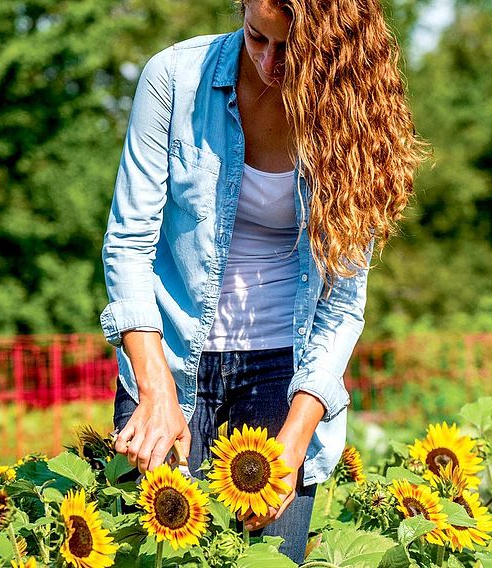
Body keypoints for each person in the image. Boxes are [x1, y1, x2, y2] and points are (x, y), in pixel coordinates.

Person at [101, 0, 425, 561]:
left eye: (290, 47)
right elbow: (129, 243)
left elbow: (343, 306)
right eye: (257, 38)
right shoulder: (175, 80)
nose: (270, 63)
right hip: (167, 355)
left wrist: (294, 441)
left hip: (285, 372)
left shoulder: (352, 119)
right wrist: (154, 389)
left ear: (333, 45)